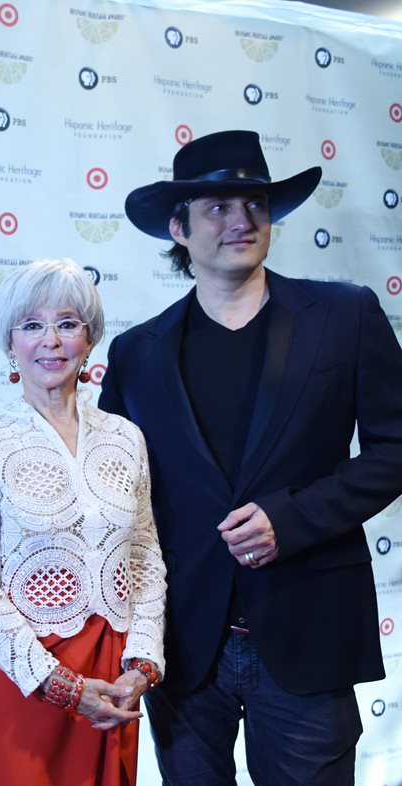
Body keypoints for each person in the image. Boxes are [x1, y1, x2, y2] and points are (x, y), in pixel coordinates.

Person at [100, 129, 402, 783]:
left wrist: (292, 519)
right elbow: (107, 483)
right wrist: (1, 452)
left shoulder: (345, 317)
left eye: (255, 204)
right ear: (178, 228)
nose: (242, 221)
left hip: (309, 635)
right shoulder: (137, 354)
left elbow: (395, 448)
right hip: (182, 648)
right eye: (217, 207)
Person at [0, 258, 166, 785]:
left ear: (89, 341)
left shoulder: (125, 437)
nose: (51, 340)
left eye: (67, 324)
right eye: (32, 326)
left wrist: (142, 664)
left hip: (115, 673)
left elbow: (146, 558)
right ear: (10, 344)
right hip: (22, 673)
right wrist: (61, 686)